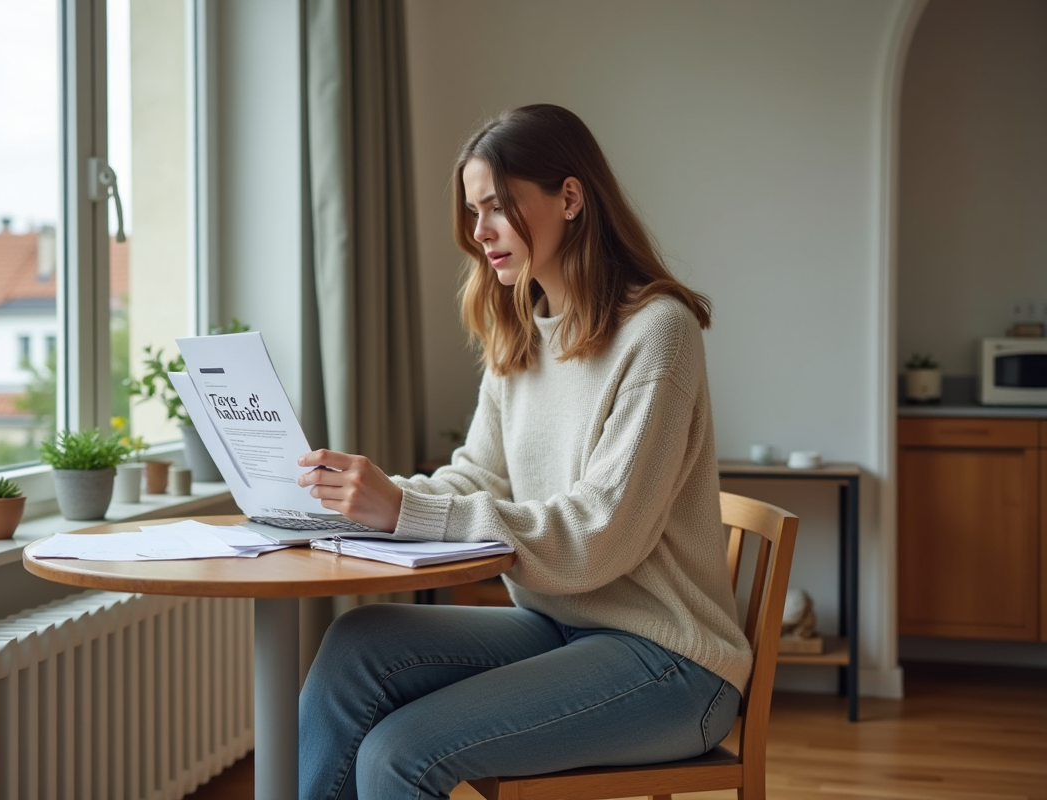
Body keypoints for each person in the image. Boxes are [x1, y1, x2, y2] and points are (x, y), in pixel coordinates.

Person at [294, 104, 750, 800]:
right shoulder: (521, 331)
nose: (479, 234)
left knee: (399, 753)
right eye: (473, 213)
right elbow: (478, 476)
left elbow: (601, 534)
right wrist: (355, 503)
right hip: (559, 624)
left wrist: (405, 509)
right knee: (354, 648)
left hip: (671, 662)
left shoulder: (660, 332)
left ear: (570, 197)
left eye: (496, 208)